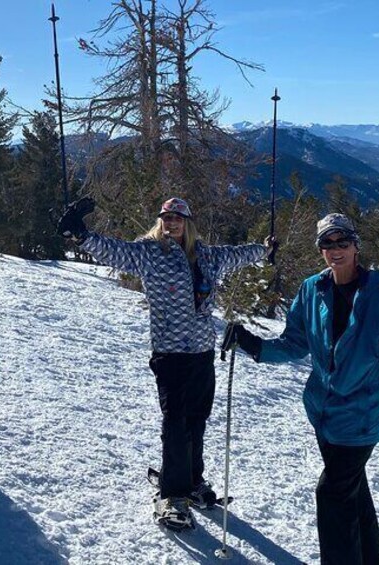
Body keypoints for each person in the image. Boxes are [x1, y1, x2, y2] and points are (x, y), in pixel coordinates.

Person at [58, 197, 271, 530]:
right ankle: (172, 495)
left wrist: (264, 249)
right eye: (166, 218)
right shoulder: (150, 253)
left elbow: (239, 254)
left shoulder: (208, 256)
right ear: (160, 222)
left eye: (177, 218)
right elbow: (115, 251)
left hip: (203, 353)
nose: (171, 223)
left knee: (197, 420)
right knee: (176, 423)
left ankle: (191, 480)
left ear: (188, 222)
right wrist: (81, 236)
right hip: (171, 354)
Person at [223, 213, 379, 564]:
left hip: (360, 417)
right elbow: (295, 343)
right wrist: (253, 344)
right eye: (327, 244)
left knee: (331, 494)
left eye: (342, 242)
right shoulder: (312, 289)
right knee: (352, 493)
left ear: (355, 245)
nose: (335, 250)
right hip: (323, 414)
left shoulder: (375, 290)